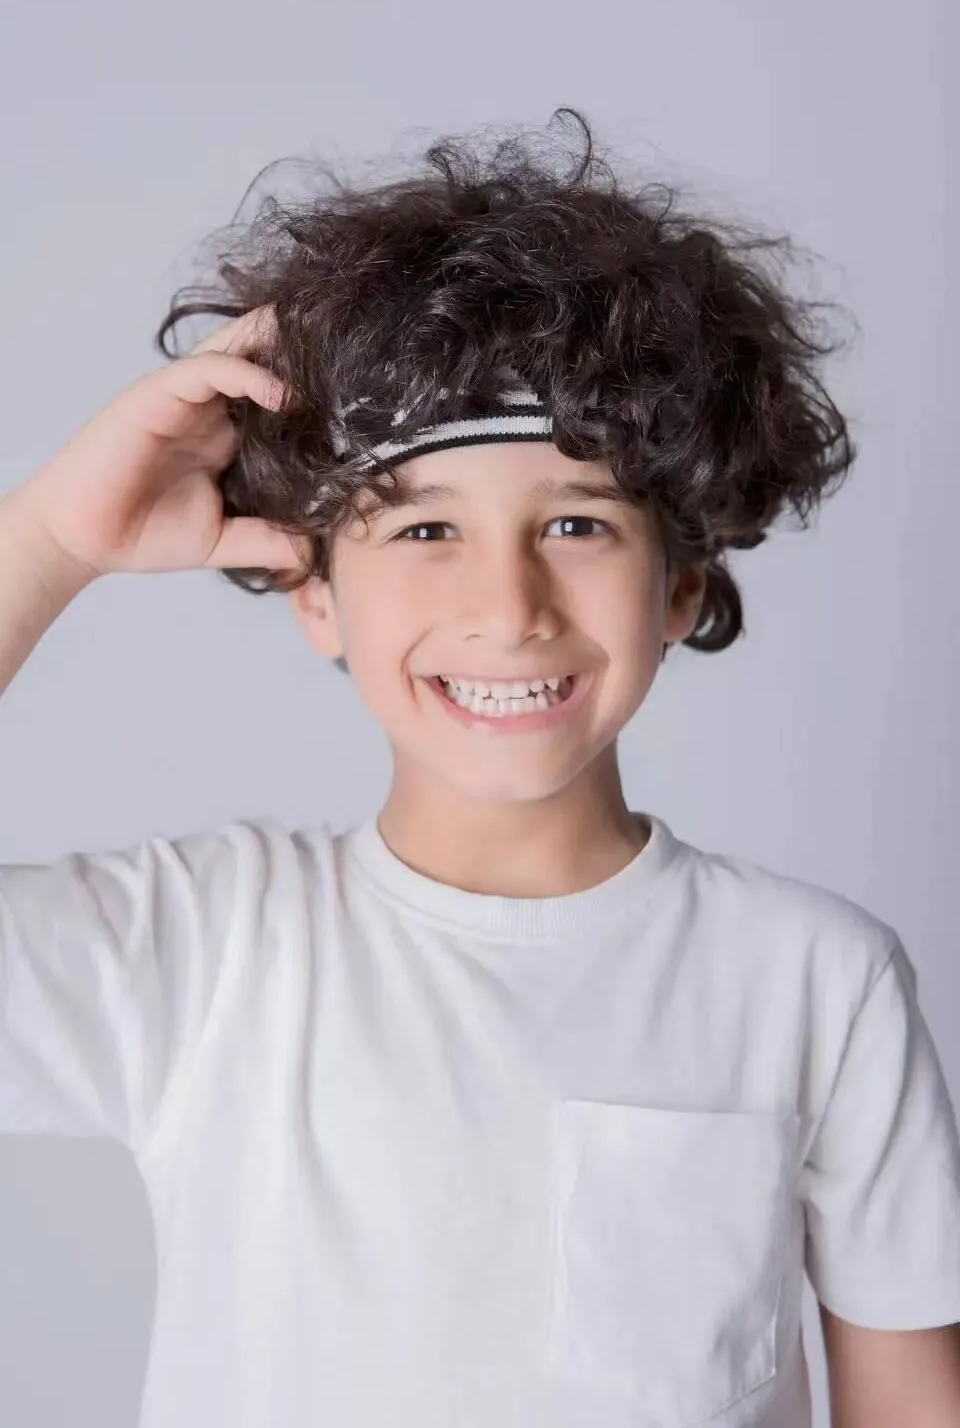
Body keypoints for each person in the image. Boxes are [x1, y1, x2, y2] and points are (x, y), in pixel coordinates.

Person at [1, 109, 958, 1428]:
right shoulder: (199, 951)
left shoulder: (815, 980)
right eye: (425, 531)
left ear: (681, 584)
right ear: (314, 591)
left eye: (576, 525)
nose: (508, 609)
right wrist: (49, 542)